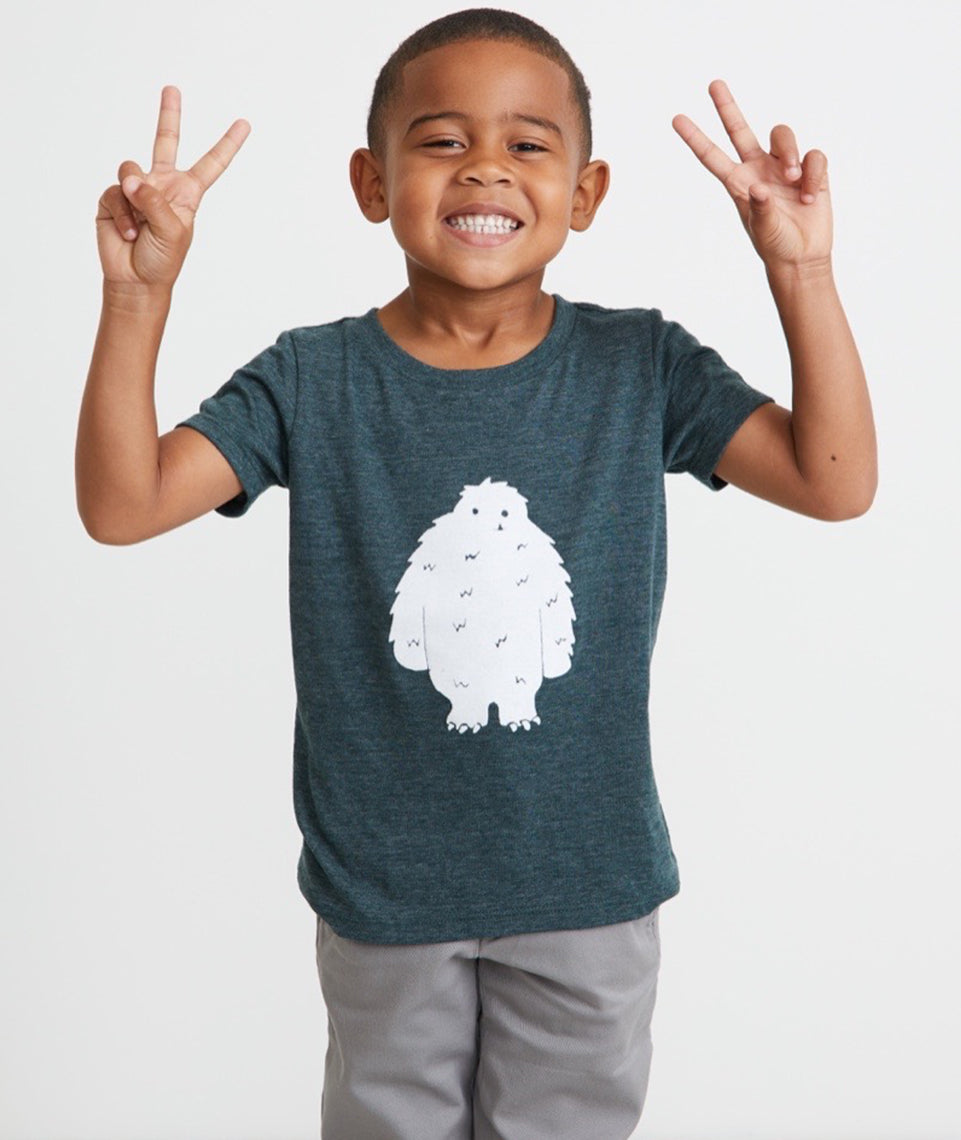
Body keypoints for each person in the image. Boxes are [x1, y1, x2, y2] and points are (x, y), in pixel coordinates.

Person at [76, 8, 877, 1138]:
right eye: (443, 140)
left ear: (586, 194)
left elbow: (833, 481)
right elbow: (122, 506)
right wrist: (136, 297)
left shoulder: (640, 365)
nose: (485, 168)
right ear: (372, 182)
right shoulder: (313, 379)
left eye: (526, 143)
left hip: (588, 883)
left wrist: (802, 270)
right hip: (382, 887)